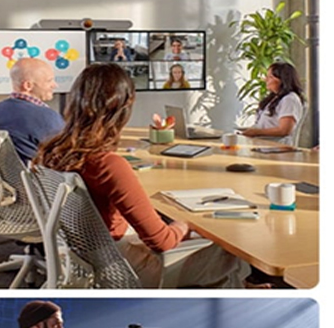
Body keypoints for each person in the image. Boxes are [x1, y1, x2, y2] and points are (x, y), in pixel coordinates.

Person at [34, 63, 251, 288]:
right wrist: (185, 224)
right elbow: (162, 242)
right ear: (122, 109)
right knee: (226, 249)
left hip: (82, 259)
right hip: (120, 269)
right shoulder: (109, 165)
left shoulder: (49, 153)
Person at [0, 58, 64, 163]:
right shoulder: (47, 117)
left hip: (2, 178)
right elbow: (64, 155)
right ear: (28, 86)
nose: (55, 85)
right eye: (49, 81)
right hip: (41, 177)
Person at [241, 63, 305, 143]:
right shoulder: (274, 98)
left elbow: (284, 130)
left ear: (282, 80)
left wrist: (256, 132)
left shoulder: (290, 99)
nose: (265, 79)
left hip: (277, 149)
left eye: (270, 77)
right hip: (262, 146)